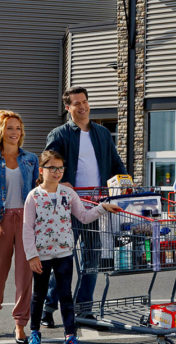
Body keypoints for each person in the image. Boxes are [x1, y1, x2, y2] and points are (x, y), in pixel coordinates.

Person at [41, 86, 127, 329]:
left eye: (85, 101)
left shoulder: (102, 133)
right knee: (64, 262)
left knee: (92, 260)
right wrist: (60, 180)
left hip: (96, 208)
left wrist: (126, 184)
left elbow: (115, 163)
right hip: (69, 208)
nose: (82, 106)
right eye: (76, 103)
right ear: (68, 108)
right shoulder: (59, 134)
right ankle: (48, 307)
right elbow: (48, 164)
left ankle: (84, 310)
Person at [23, 150, 122, 344]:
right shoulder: (33, 196)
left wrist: (103, 208)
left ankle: (70, 338)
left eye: (60, 168)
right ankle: (34, 333)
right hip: (41, 256)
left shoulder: (68, 193)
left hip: (64, 253)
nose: (57, 172)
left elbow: (84, 216)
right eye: (52, 168)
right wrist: (31, 255)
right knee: (38, 295)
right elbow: (27, 228)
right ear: (41, 170)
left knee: (65, 295)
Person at [0, 110, 39, 344]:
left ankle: (20, 323)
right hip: (1, 221)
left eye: (18, 128)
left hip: (27, 221)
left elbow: (38, 191)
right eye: (10, 128)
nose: (15, 132)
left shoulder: (31, 159)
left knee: (25, 276)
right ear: (1, 131)